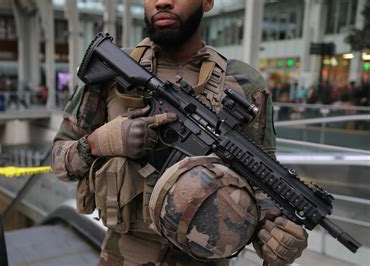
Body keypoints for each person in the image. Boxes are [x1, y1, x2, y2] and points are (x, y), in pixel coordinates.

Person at [52, 0, 308, 265]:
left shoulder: (243, 83)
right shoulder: (113, 69)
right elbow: (59, 162)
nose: (162, 1)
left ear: (207, 2)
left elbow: (262, 180)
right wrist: (99, 142)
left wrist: (275, 235)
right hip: (122, 256)